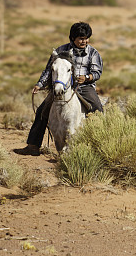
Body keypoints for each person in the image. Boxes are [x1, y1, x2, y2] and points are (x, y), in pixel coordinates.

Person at [15, 21, 104, 156]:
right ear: (72, 38)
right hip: (62, 86)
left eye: (86, 38)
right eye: (81, 38)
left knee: (98, 109)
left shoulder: (93, 53)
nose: (84, 41)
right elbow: (48, 70)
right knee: (41, 111)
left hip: (84, 87)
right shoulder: (59, 51)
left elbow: (97, 72)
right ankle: (33, 146)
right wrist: (40, 84)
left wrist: (86, 77)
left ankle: (100, 145)